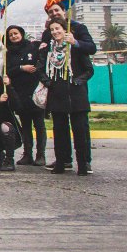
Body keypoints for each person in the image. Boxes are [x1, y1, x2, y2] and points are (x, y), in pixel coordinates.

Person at [39, 18, 96, 175]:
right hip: (57, 94)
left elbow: (89, 70)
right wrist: (48, 82)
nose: (55, 32)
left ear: (65, 29)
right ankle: (61, 162)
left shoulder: (75, 47)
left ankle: (83, 164)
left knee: (80, 132)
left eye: (58, 28)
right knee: (59, 132)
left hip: (76, 94)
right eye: (52, 30)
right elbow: (40, 69)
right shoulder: (48, 49)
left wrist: (78, 81)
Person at [6, 25, 46, 166]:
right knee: (26, 126)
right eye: (10, 35)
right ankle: (27, 154)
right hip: (19, 93)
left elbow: (41, 62)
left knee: (39, 125)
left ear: (22, 34)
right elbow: (8, 70)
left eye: (16, 33)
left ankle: (41, 155)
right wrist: (22, 68)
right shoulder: (9, 53)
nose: (14, 36)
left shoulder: (33, 47)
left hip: (35, 92)